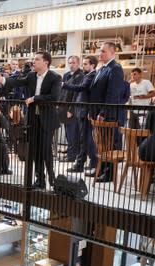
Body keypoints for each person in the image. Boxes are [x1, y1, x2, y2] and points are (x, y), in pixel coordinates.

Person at [0, 51, 61, 188]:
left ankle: (52, 180)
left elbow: (54, 97)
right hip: (34, 119)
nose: (34, 61)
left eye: (37, 59)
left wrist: (35, 98)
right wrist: (2, 79)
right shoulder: (31, 76)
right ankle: (40, 180)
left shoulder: (55, 77)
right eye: (34, 59)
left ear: (46, 62)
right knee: (35, 151)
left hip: (47, 119)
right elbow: (17, 81)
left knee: (45, 150)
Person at [87, 42, 126, 182]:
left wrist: (103, 112)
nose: (100, 53)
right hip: (96, 112)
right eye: (100, 51)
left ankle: (109, 174)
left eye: (103, 51)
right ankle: (100, 169)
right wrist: (91, 111)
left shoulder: (115, 68)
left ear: (112, 53)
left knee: (109, 144)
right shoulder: (102, 68)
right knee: (101, 144)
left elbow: (112, 94)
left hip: (108, 115)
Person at [63, 55, 98, 173]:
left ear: (92, 65)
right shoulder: (88, 75)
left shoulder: (91, 76)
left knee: (86, 139)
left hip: (84, 110)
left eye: (85, 64)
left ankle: (89, 163)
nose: (83, 66)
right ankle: (82, 163)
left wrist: (64, 84)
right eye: (83, 64)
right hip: (81, 110)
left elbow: (80, 88)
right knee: (84, 139)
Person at [58, 55, 84, 163]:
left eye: (73, 63)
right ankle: (70, 151)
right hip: (63, 107)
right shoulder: (66, 75)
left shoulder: (80, 76)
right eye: (69, 62)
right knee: (68, 133)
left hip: (71, 109)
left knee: (73, 133)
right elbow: (62, 91)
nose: (71, 65)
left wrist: (71, 110)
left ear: (78, 64)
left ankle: (72, 156)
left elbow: (77, 94)